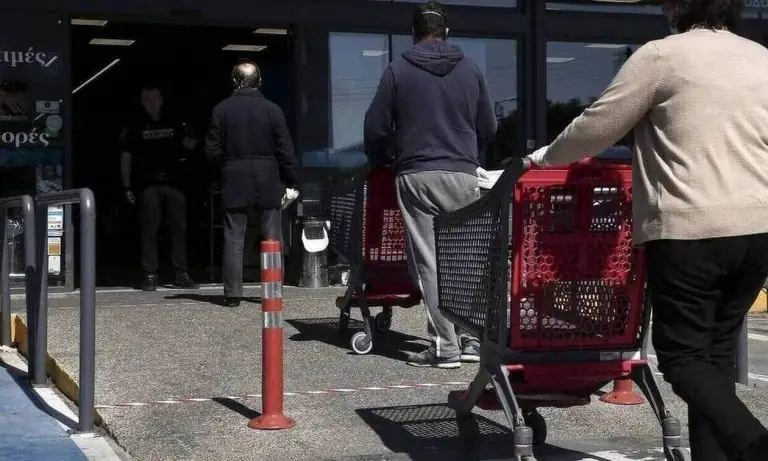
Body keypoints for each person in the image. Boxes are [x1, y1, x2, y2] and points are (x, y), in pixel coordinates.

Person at [526, 1, 768, 459]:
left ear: (678, 6)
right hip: (757, 228)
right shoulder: (761, 58)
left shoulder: (662, 56)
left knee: (682, 358)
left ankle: (754, 443)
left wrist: (545, 157)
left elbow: (598, 125)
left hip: (690, 227)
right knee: (714, 357)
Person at [364, 1, 497, 369]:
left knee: (429, 261)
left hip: (417, 174)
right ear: (447, 32)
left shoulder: (397, 70)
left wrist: (385, 157)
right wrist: (468, 151)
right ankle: (471, 339)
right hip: (463, 172)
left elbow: (375, 128)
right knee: (465, 258)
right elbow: (489, 126)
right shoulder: (471, 69)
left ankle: (445, 346)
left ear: (413, 33)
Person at [205, 60, 299, 308]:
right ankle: (273, 290)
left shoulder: (221, 110)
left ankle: (233, 293)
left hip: (234, 177)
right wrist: (292, 180)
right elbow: (285, 150)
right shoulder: (273, 110)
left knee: (234, 236)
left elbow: (212, 151)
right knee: (272, 236)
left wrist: (224, 170)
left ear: (234, 81)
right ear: (260, 82)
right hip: (268, 177)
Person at [120, 84, 199, 291]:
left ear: (162, 100)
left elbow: (191, 145)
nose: (152, 102)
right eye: (147, 99)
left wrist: (192, 133)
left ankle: (181, 273)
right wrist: (126, 186)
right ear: (142, 102)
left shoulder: (174, 120)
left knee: (179, 229)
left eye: (155, 98)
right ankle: (150, 274)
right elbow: (126, 157)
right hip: (148, 184)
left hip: (174, 183)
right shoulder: (135, 126)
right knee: (149, 229)